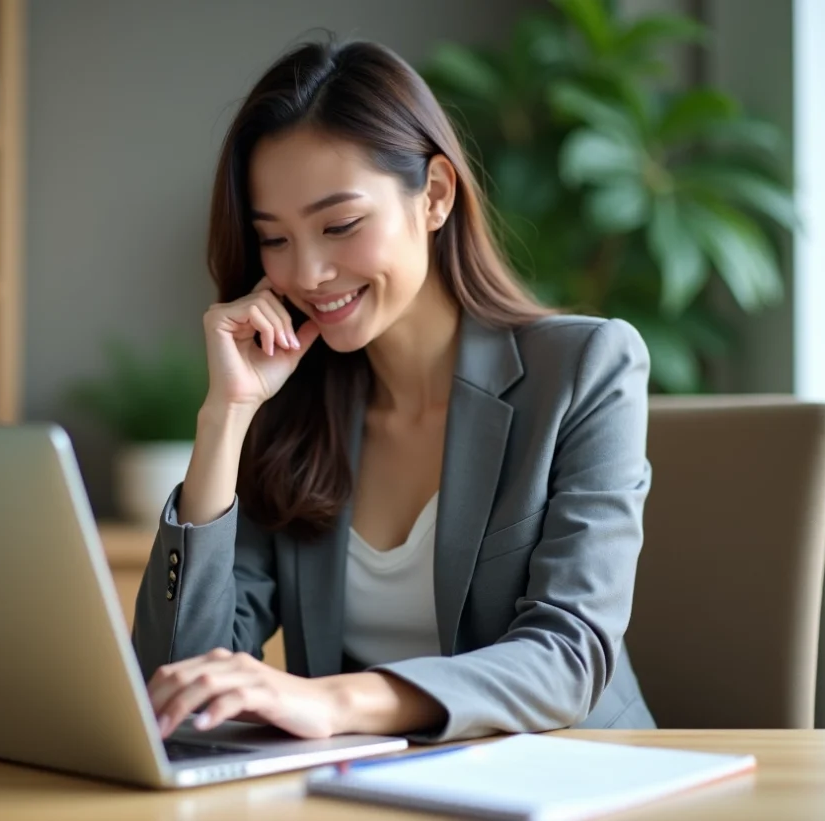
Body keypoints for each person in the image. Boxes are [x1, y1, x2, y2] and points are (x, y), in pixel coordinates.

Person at [131, 36, 656, 744]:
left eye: (339, 225)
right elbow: (179, 685)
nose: (308, 272)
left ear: (434, 195)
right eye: (274, 239)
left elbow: (567, 654)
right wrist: (226, 417)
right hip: (376, 790)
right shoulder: (291, 399)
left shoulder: (586, 367)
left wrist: (337, 702)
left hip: (583, 776)